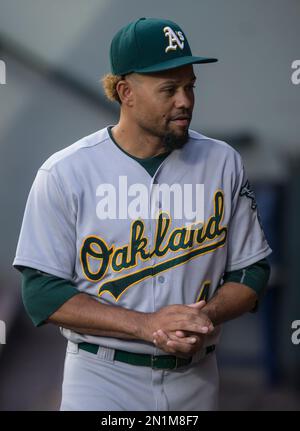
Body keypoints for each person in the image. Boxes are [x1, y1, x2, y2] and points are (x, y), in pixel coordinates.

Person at [13, 17, 271, 411]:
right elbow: (41, 293)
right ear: (125, 92)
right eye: (169, 89)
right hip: (102, 379)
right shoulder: (66, 172)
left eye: (190, 86)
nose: (185, 101)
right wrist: (147, 326)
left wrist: (202, 318)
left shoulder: (223, 162)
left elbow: (252, 271)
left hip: (197, 376)